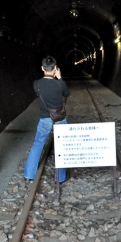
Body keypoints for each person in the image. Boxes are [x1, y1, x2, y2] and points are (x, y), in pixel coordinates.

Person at [24, 55, 70, 183]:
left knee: (38, 144)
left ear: (42, 68)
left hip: (45, 119)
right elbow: (67, 94)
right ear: (55, 68)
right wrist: (59, 78)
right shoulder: (59, 84)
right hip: (60, 118)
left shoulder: (36, 84)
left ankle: (29, 175)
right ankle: (60, 178)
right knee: (61, 147)